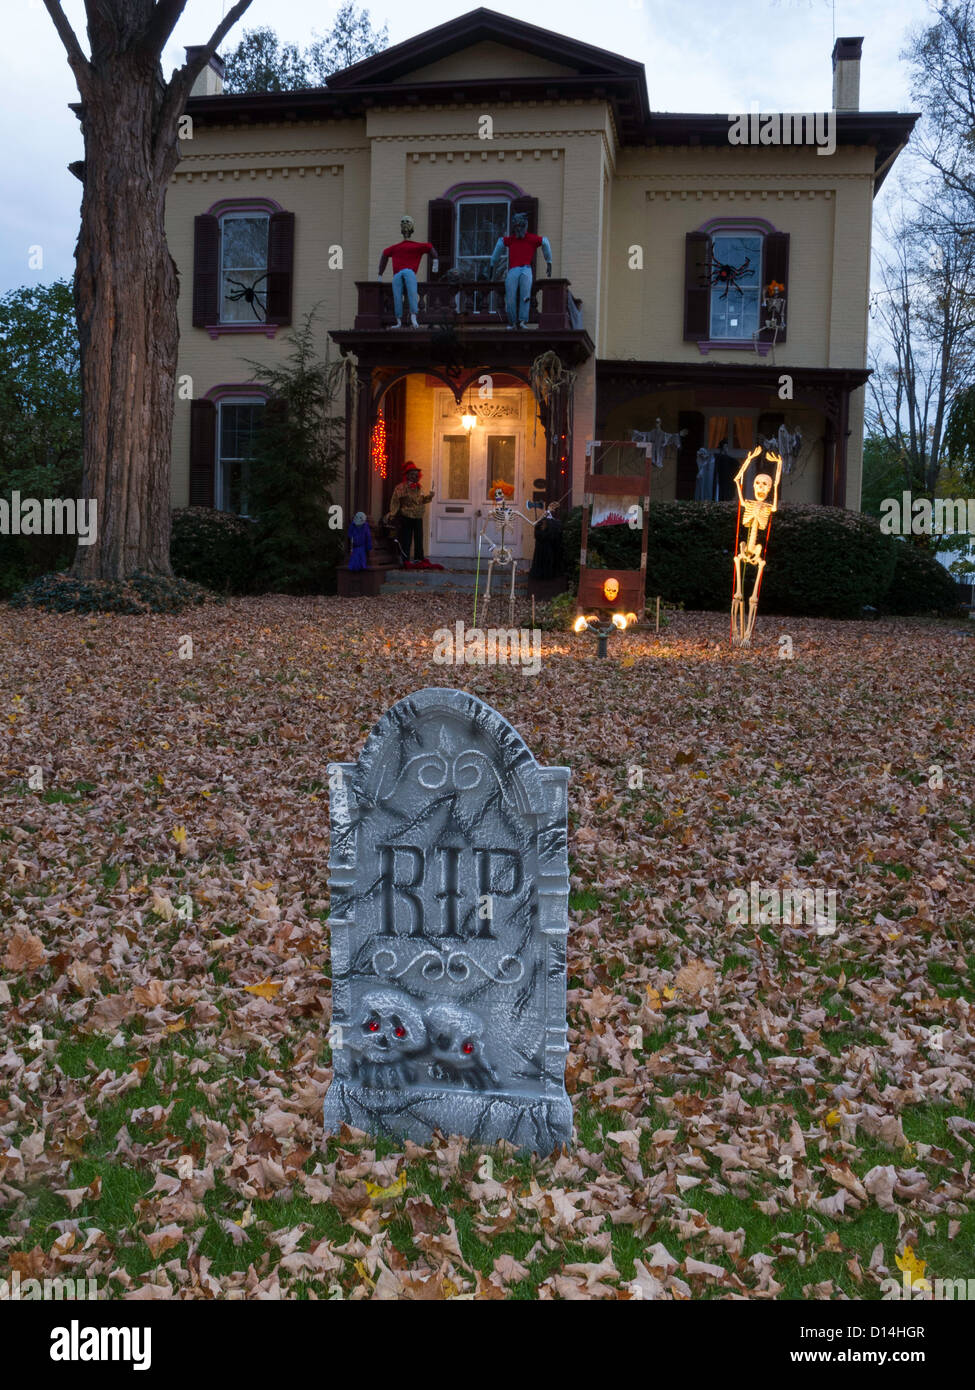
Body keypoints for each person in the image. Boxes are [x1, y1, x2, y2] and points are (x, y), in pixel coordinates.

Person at [489, 211, 553, 328]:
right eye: (516, 226)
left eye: (520, 225)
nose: (518, 228)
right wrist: (492, 263)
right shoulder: (512, 240)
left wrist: (549, 261)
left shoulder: (531, 239)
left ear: (524, 225)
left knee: (525, 295)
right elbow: (500, 243)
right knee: (510, 296)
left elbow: (545, 242)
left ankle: (522, 320)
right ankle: (513, 321)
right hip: (514, 270)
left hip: (525, 269)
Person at [378, 216, 438, 329]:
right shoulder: (395, 248)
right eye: (403, 222)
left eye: (407, 222)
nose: (405, 224)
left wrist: (435, 263)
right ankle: (399, 320)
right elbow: (384, 255)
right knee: (397, 293)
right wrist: (380, 274)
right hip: (398, 274)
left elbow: (430, 249)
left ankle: (413, 316)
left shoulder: (417, 246)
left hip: (408, 272)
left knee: (410, 285)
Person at [386, 462, 434, 565]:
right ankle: (405, 559)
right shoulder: (400, 487)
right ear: (407, 475)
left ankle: (419, 558)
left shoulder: (419, 488)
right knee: (406, 538)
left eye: (416, 474)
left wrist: (429, 497)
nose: (415, 476)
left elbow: (421, 500)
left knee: (419, 538)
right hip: (406, 516)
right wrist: (392, 514)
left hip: (418, 516)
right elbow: (395, 501)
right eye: (412, 474)